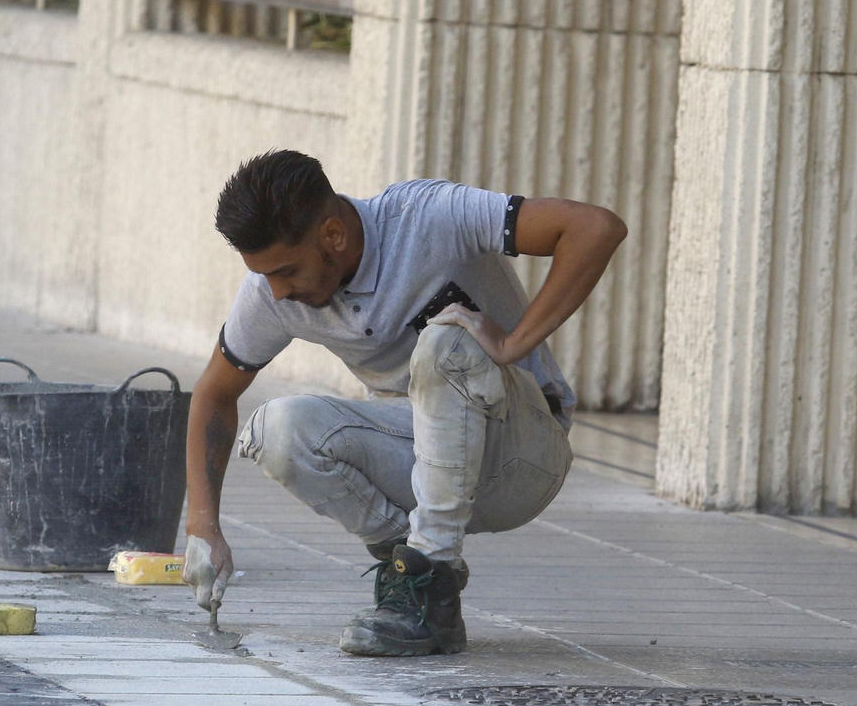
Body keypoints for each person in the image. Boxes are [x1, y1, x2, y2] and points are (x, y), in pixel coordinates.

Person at [181, 150, 626, 657]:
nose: (278, 292)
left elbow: (595, 227)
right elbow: (213, 396)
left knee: (444, 342)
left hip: (522, 454)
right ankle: (418, 578)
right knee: (276, 429)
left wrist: (514, 343)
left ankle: (429, 568)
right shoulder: (271, 293)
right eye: (266, 277)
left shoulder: (428, 217)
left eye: (286, 271)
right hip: (421, 462)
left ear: (333, 235)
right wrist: (203, 527)